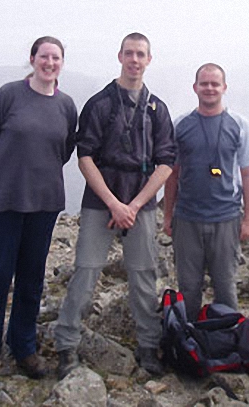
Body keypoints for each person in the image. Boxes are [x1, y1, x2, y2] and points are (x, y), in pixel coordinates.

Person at [0, 36, 78, 405]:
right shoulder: (8, 95)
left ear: (61, 63)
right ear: (32, 59)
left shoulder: (66, 105)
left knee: (31, 280)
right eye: (44, 56)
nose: (49, 63)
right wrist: (7, 175)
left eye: (56, 58)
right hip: (4, 202)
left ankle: (24, 349)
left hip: (43, 203)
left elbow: (65, 149)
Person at [54, 32, 176, 379]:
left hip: (141, 203)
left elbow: (166, 161)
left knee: (143, 275)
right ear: (119, 56)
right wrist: (113, 203)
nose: (134, 60)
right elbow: (85, 155)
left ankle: (148, 346)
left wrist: (134, 206)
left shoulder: (157, 109)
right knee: (86, 271)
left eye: (141, 54)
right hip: (100, 201)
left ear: (149, 60)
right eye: (129, 53)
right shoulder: (100, 104)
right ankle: (66, 346)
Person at [163, 63, 249, 322]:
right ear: (195, 88)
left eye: (215, 84)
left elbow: (247, 174)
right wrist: (168, 216)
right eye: (204, 83)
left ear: (224, 88)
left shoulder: (239, 125)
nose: (209, 88)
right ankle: (190, 345)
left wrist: (248, 219)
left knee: (226, 288)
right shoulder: (180, 125)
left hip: (226, 218)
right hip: (187, 218)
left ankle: (229, 344)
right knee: (189, 289)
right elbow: (172, 174)